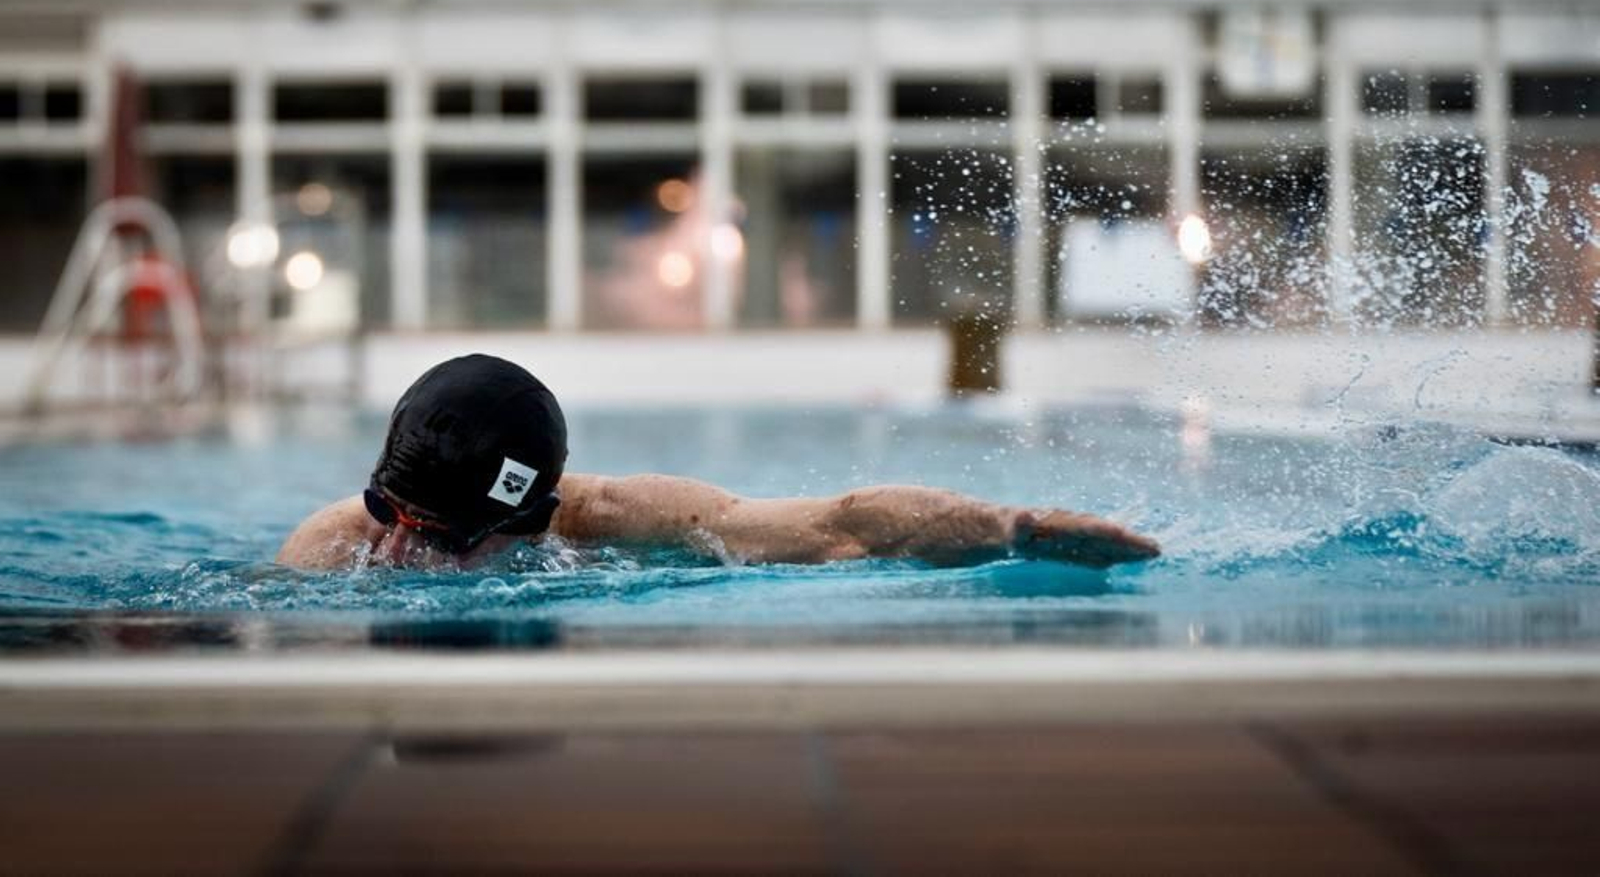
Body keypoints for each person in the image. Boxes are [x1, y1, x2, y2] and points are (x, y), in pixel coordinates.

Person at [276, 354, 1160, 571]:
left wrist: (1011, 528)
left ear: (531, 518)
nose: (399, 552)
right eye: (395, 518)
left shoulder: (624, 520)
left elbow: (836, 523)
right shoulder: (327, 547)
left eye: (446, 536)